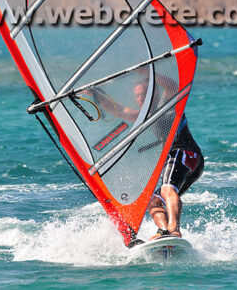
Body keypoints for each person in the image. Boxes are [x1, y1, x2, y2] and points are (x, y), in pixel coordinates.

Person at [84, 77, 204, 240]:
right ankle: (164, 232)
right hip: (188, 161)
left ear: (153, 96)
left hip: (185, 153)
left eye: (144, 95)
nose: (140, 99)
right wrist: (95, 95)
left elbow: (172, 86)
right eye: (138, 96)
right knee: (154, 199)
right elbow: (117, 110)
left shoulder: (167, 106)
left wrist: (151, 72)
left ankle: (174, 230)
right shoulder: (145, 117)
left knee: (167, 190)